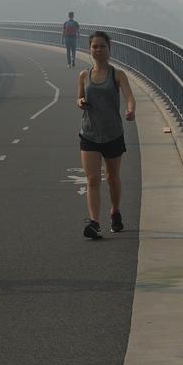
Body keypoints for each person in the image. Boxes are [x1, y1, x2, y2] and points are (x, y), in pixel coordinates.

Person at [76, 30, 136, 239]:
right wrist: (81, 102)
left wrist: (130, 110)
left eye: (102, 46)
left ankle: (115, 211)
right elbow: (79, 98)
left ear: (109, 49)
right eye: (95, 46)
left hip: (113, 133)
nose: (98, 50)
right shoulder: (84, 75)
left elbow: (129, 97)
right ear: (90, 49)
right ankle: (94, 223)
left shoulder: (117, 74)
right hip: (89, 133)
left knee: (112, 178)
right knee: (92, 179)